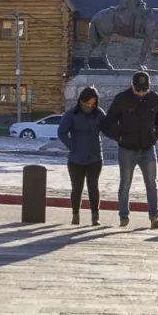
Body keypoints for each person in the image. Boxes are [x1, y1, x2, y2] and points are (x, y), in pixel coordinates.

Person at [105, 71, 158, 229]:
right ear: (132, 85)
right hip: (127, 149)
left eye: (144, 89)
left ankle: (154, 216)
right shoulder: (121, 99)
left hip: (148, 148)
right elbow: (109, 122)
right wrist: (120, 137)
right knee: (125, 184)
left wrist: (155, 136)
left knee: (152, 183)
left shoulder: (154, 98)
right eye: (138, 89)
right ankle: (123, 216)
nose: (141, 93)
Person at [57, 87, 107, 226]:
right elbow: (61, 132)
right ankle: (75, 215)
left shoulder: (98, 114)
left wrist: (120, 134)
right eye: (88, 103)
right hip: (76, 159)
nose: (90, 106)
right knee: (77, 188)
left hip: (95, 158)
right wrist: (72, 146)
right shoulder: (71, 114)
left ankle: (95, 216)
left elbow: (107, 129)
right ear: (81, 101)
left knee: (93, 187)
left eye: (93, 103)